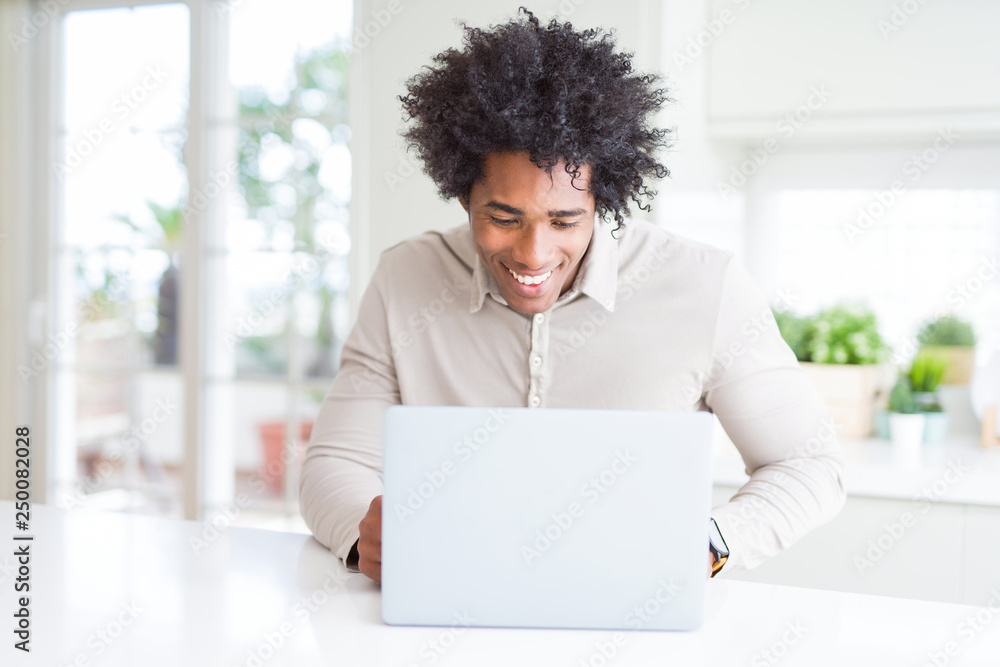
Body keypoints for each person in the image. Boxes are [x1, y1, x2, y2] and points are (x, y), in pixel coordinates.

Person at [299, 8, 846, 585]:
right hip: (449, 604)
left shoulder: (706, 286)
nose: (533, 255)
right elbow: (337, 461)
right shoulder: (405, 278)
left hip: (636, 603)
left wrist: (710, 543)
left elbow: (808, 463)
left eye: (564, 221)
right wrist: (366, 532)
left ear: (601, 201)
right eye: (504, 218)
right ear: (463, 196)